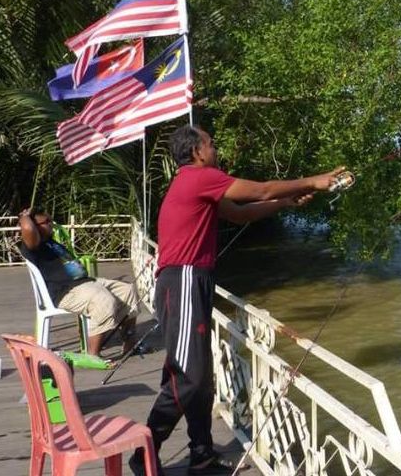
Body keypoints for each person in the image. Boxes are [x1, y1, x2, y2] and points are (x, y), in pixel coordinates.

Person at [129, 125, 343, 476]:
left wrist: (285, 202)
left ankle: (201, 455)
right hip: (182, 281)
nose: (216, 150)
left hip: (192, 281)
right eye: (211, 145)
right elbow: (260, 189)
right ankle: (143, 452)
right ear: (197, 152)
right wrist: (313, 181)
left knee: (200, 376)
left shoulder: (196, 183)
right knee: (188, 378)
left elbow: (241, 214)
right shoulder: (198, 177)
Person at [17, 208, 138, 360]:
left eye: (50, 220)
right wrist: (24, 217)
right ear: (35, 226)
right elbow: (27, 228)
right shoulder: (33, 246)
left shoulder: (50, 242)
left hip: (85, 283)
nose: (51, 224)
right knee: (103, 300)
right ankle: (93, 355)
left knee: (128, 290)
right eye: (46, 222)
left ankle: (130, 343)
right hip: (66, 291)